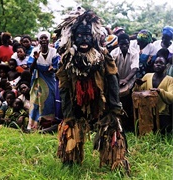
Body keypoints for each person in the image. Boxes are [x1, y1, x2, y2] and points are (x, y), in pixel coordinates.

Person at [55, 9, 129, 172]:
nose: (84, 40)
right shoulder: (68, 60)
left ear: (94, 37)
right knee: (72, 126)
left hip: (101, 100)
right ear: (73, 37)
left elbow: (112, 79)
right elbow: (64, 86)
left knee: (110, 126)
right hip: (77, 101)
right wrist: (67, 111)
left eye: (87, 35)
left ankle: (114, 160)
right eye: (80, 36)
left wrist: (114, 104)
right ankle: (71, 159)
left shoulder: (103, 57)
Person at [133, 48, 173, 134]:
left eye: (161, 63)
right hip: (147, 114)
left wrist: (160, 91)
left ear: (166, 66)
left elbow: (171, 97)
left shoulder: (170, 80)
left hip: (162, 115)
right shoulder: (147, 76)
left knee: (163, 135)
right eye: (156, 63)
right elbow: (137, 94)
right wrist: (137, 85)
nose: (158, 65)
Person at [27, 31, 60, 130]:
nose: (44, 40)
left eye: (46, 38)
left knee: (50, 100)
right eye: (42, 38)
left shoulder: (54, 51)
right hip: (38, 78)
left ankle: (48, 124)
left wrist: (52, 69)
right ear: (38, 40)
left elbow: (56, 66)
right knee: (36, 100)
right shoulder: (35, 51)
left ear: (49, 39)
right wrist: (35, 59)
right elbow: (31, 69)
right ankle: (34, 125)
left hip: (50, 79)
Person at [110, 33, 139, 131]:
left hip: (129, 81)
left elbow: (135, 68)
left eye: (126, 44)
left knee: (128, 105)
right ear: (118, 44)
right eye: (122, 44)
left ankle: (129, 127)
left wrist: (126, 80)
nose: (124, 46)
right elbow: (110, 70)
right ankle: (117, 126)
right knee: (117, 104)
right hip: (116, 81)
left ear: (129, 43)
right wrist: (117, 80)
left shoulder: (134, 52)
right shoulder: (113, 53)